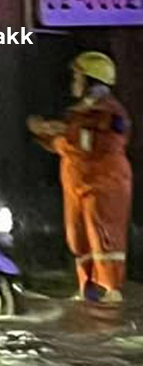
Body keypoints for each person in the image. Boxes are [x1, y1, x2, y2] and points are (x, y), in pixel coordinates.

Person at [28, 51, 132, 304]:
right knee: (78, 237)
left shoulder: (110, 112)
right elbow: (70, 144)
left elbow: (99, 143)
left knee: (104, 236)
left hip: (104, 183)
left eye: (78, 77)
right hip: (77, 184)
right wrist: (46, 133)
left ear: (91, 81)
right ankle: (88, 289)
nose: (74, 82)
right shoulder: (79, 113)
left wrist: (64, 133)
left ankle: (110, 289)